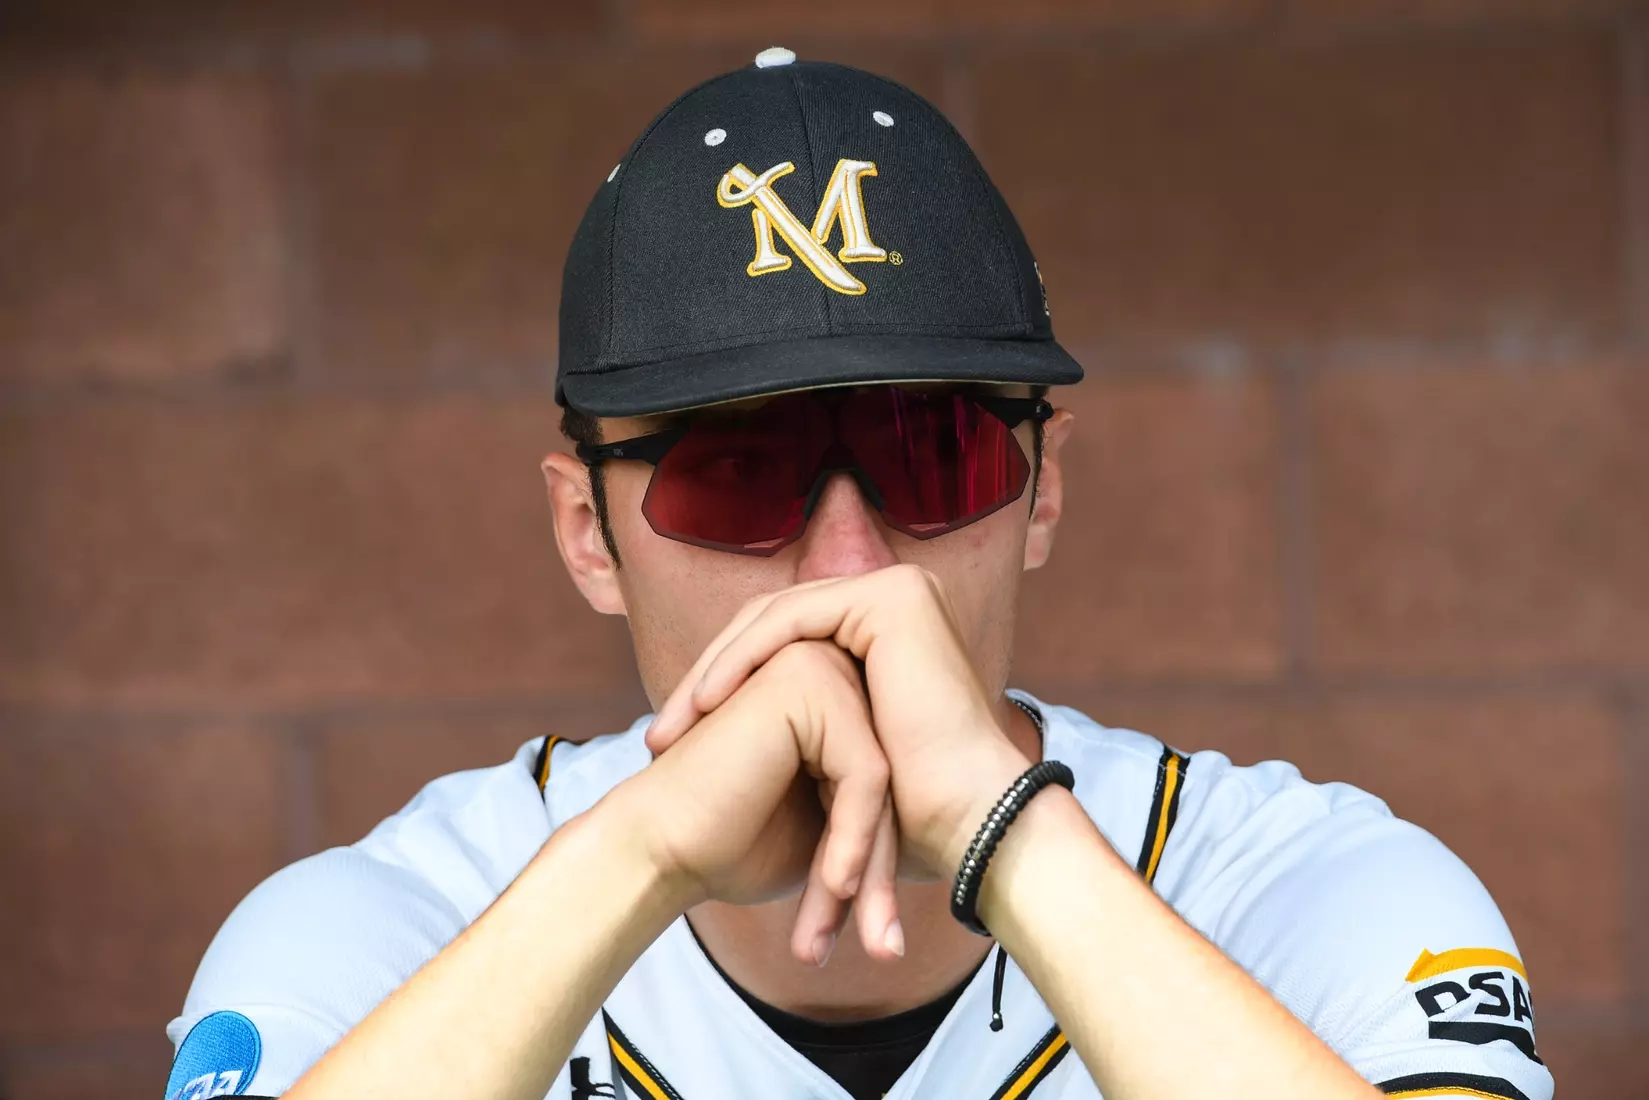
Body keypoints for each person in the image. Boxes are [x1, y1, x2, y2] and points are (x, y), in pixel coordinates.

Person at [164, 50, 1551, 1100]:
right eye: (736, 473)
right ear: (587, 531)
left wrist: (1009, 836)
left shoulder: (1298, 889)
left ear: (1042, 490)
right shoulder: (400, 923)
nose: (849, 568)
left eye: (932, 454)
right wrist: (643, 855)